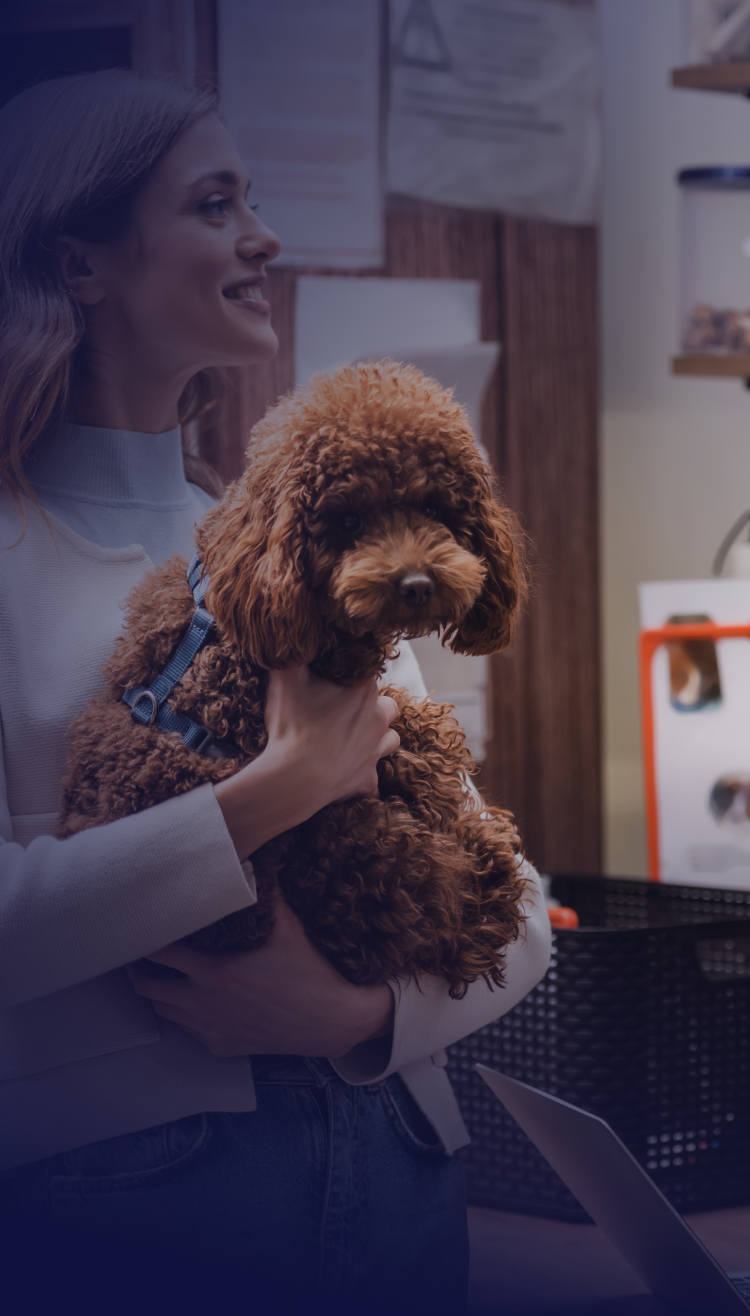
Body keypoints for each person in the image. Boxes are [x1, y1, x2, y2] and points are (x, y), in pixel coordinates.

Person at [0, 71, 550, 1311]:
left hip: (400, 1161)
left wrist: (357, 1014)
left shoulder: (299, 555)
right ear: (78, 261)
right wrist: (273, 792)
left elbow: (519, 914)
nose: (265, 237)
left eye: (253, 197)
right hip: (128, 1201)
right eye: (213, 204)